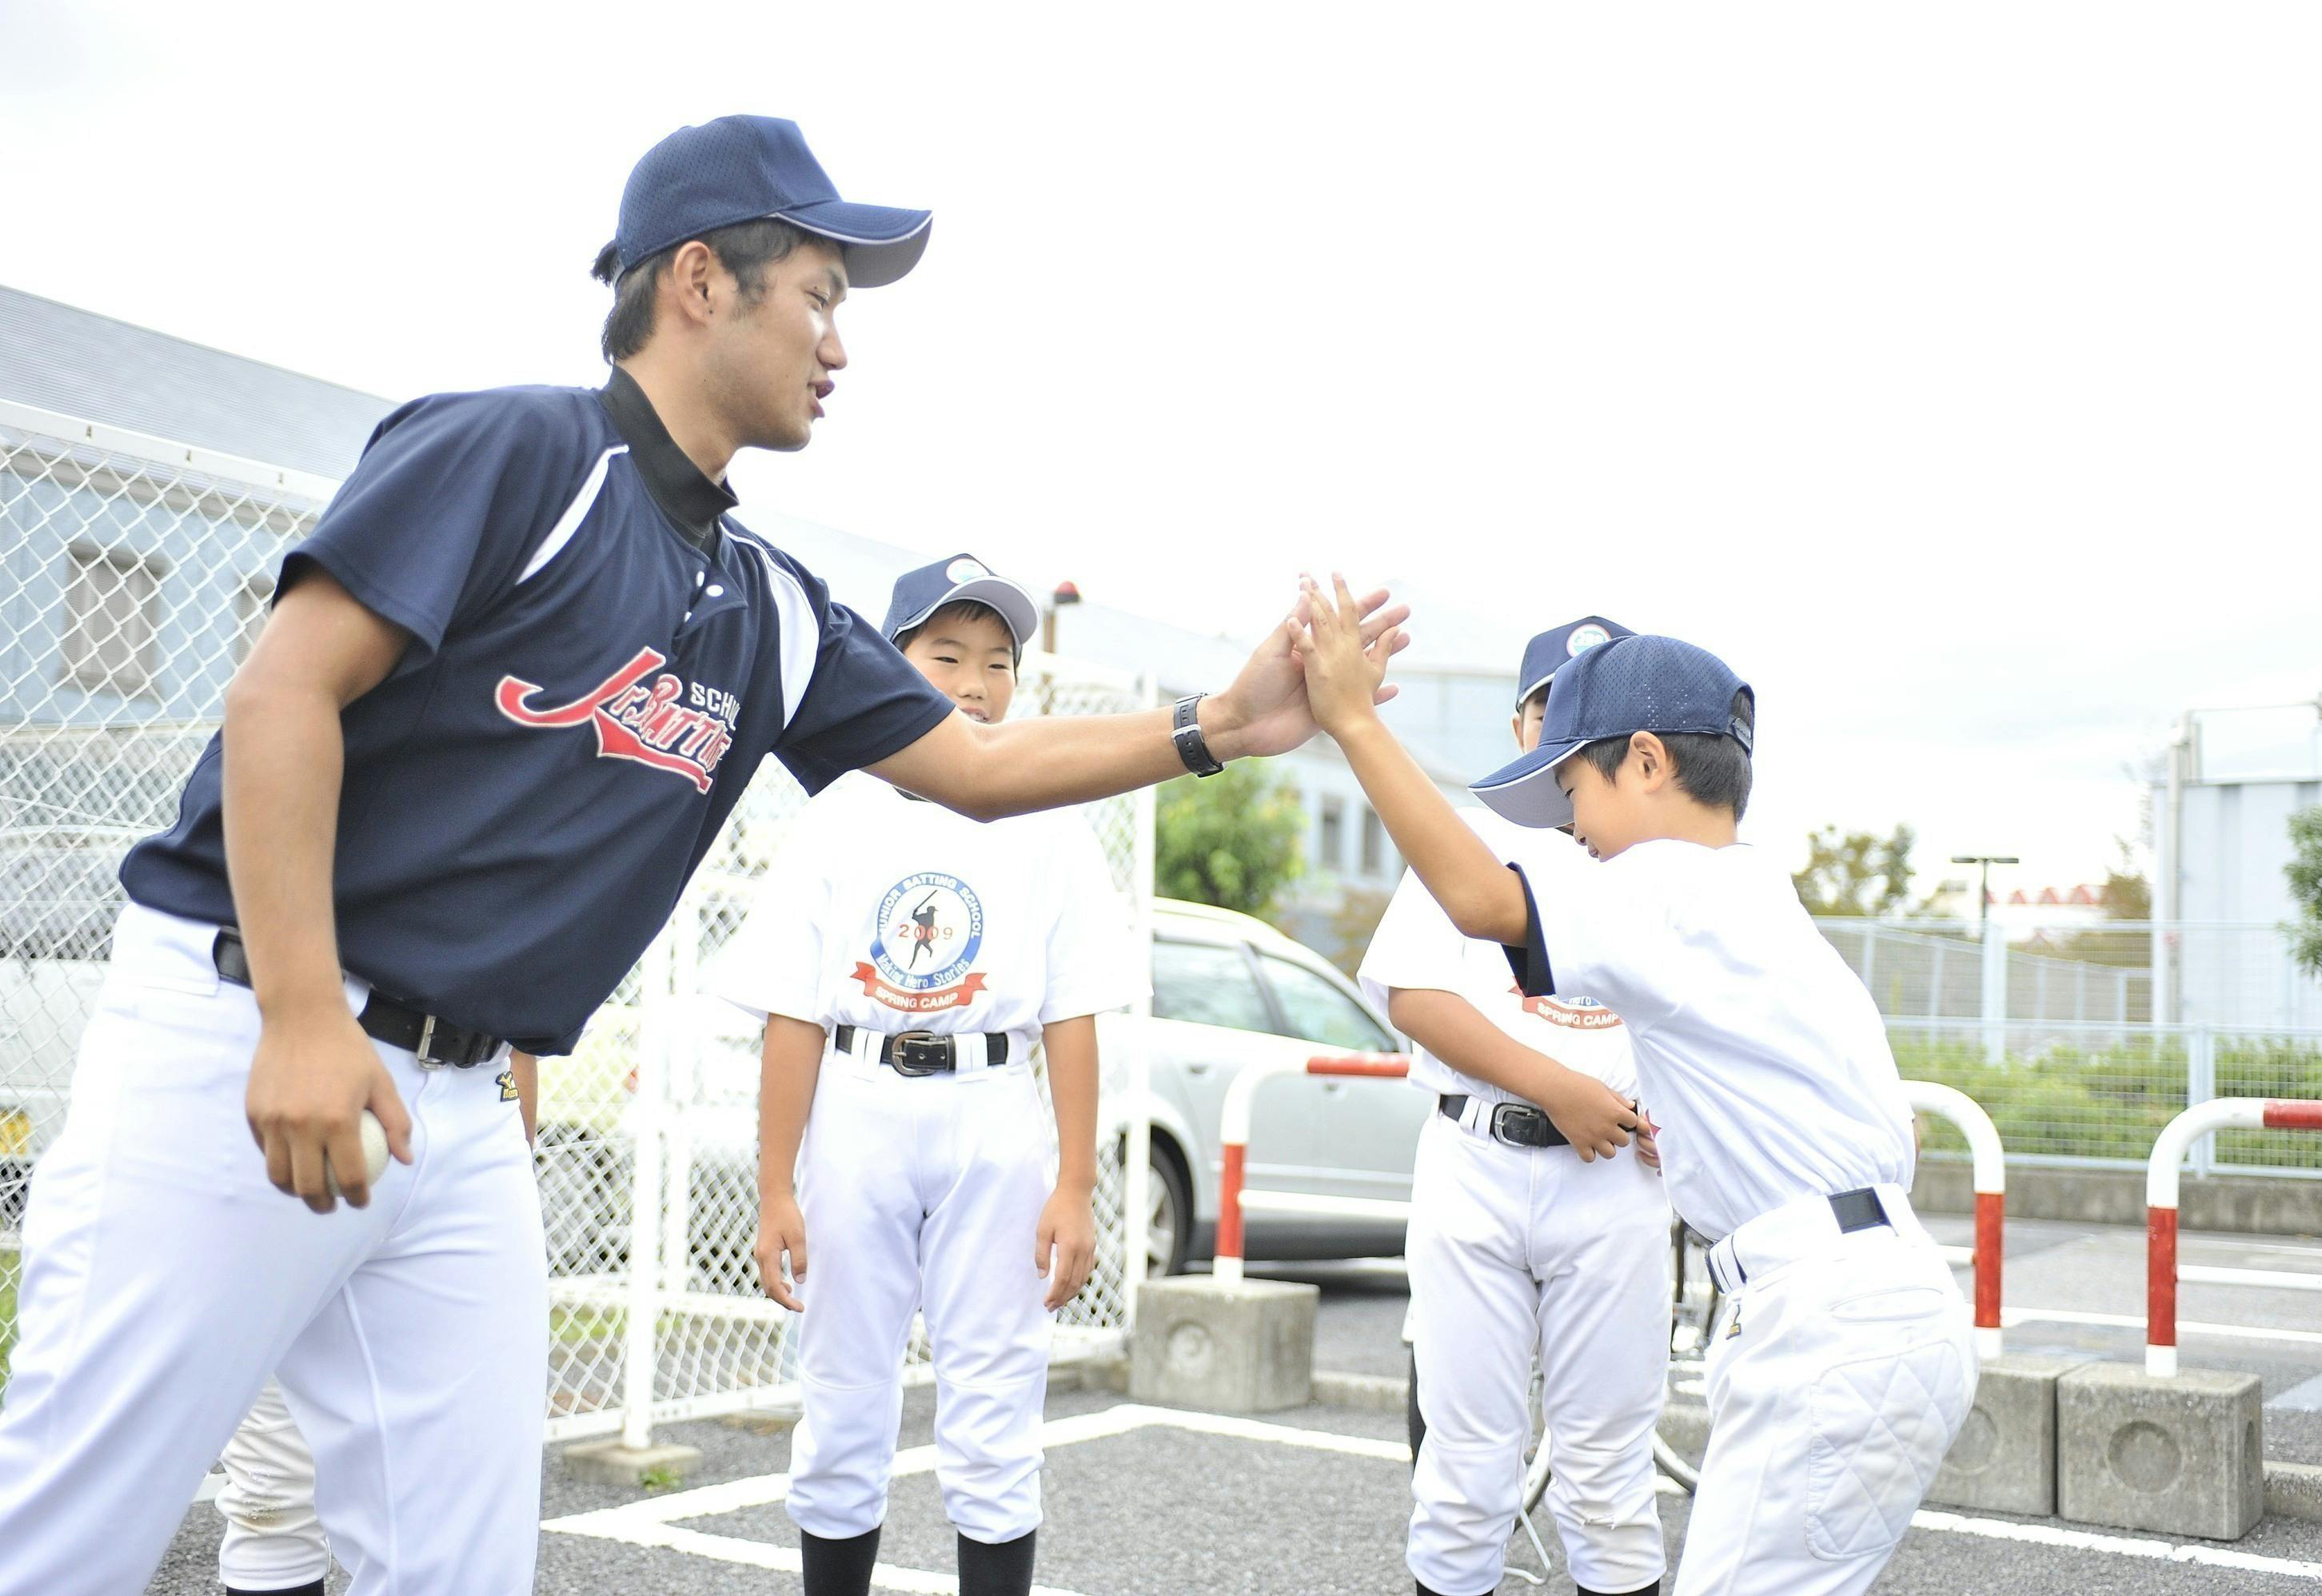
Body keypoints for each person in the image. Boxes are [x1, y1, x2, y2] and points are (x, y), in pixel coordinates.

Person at [0, 114, 1406, 1596]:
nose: (840, 345)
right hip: (251, 1028)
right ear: (697, 281)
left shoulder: (767, 602)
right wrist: (295, 1007)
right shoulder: (518, 452)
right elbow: (283, 692)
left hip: (462, 1107)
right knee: (68, 1530)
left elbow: (979, 766)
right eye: (819, 293)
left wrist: (1220, 726)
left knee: (458, 1567)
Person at [1294, 577, 1974, 1596]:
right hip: (1876, 1303)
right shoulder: (1759, 898)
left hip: (1821, 1325)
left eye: (1575, 793)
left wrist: (1350, 718)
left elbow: (1482, 900)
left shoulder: (1666, 887)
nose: (1572, 827)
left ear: (1647, 762)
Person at [714, 554, 1143, 1596]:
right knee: (844, 1388)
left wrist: (1077, 1185)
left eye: (998, 663)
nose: (975, 681)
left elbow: (1072, 1011)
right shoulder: (838, 813)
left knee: (998, 1393)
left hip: (993, 1109)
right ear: (891, 663)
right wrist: (776, 1186)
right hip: (859, 1107)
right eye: (945, 654)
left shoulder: (1048, 814)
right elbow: (795, 1014)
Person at [1358, 615, 1670, 1596]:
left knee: (1610, 1476)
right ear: (1521, 721)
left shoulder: (1660, 852)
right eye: (1551, 706)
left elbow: (1698, 1019)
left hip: (1613, 1177)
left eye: (1593, 706)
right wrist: (1557, 1087)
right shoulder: (1475, 834)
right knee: (1464, 1472)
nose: (1567, 725)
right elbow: (1412, 993)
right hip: (1477, 1159)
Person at [211, 1051, 541, 1596]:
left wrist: (507, 1167)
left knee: (448, 1513)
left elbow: (522, 1039)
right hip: (278, 1100)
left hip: (464, 1104)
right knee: (271, 1489)